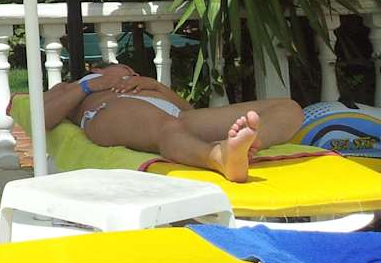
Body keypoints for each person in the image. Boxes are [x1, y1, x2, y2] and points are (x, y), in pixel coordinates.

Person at [41, 61, 304, 182]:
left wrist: (155, 86)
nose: (132, 72)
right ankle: (216, 157)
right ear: (98, 68)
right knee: (168, 128)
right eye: (125, 69)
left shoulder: (147, 85)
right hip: (112, 110)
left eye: (133, 71)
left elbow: (188, 111)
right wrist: (90, 86)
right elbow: (44, 116)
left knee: (289, 108)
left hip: (174, 116)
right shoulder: (77, 85)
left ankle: (247, 147)